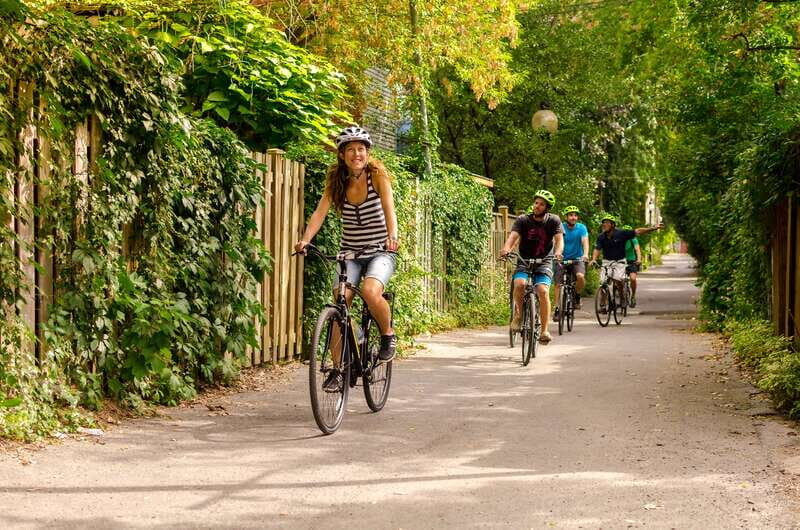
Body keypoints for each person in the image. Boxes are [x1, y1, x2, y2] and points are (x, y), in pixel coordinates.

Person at [295, 125, 399, 390]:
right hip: (349, 253)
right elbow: (319, 213)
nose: (357, 154)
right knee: (340, 304)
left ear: (367, 153)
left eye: (361, 149)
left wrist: (393, 235)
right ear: (342, 155)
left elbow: (389, 208)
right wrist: (306, 240)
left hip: (379, 251)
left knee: (370, 290)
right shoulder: (337, 181)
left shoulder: (377, 176)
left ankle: (387, 334)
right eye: (351, 150)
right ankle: (338, 368)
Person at [499, 190, 564, 344]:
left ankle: (544, 331)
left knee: (542, 290)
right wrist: (506, 249)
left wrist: (559, 252)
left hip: (545, 261)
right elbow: (513, 237)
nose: (537, 206)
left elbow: (559, 240)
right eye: (536, 203)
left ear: (547, 207)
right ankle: (519, 316)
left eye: (541, 204)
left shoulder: (553, 220)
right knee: (520, 284)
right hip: (524, 259)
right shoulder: (523, 220)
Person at [589, 214, 663, 312]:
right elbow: (597, 249)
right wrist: (594, 259)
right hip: (607, 261)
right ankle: (603, 304)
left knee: (619, 280)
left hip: (620, 261)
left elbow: (638, 231)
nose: (604, 225)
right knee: (603, 283)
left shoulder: (621, 233)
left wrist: (653, 228)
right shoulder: (601, 237)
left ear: (612, 225)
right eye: (603, 223)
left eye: (607, 223)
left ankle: (622, 298)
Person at [554, 205, 589, 315]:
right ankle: (557, 308)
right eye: (570, 215)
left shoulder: (582, 228)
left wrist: (586, 254)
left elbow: (585, 242)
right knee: (558, 284)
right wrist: (555, 254)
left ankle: (577, 295)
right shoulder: (561, 227)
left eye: (575, 215)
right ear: (566, 217)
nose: (573, 217)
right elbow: (555, 242)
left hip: (577, 259)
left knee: (580, 276)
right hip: (562, 259)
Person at [621, 224, 641, 308]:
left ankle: (633, 296)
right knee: (619, 280)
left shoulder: (633, 239)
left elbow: (637, 250)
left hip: (631, 261)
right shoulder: (619, 239)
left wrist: (639, 259)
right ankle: (622, 297)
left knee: (633, 278)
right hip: (620, 261)